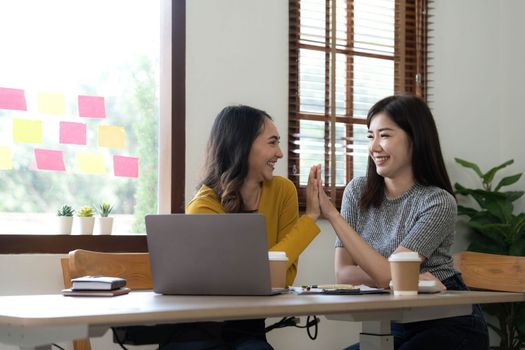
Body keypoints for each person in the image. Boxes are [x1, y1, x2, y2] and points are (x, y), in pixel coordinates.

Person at [316, 95, 489, 350]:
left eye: (384, 135)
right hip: (394, 321)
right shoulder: (357, 191)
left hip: (450, 322)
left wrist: (333, 216)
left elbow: (387, 275)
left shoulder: (438, 202)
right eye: (370, 136)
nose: (374, 146)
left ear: (415, 139)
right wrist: (407, 279)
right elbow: (344, 275)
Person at [160, 105, 321, 350]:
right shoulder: (203, 205)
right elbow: (237, 282)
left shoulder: (283, 192)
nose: (279, 153)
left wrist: (311, 216)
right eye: (272, 142)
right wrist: (307, 221)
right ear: (243, 145)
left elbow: (281, 278)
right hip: (197, 330)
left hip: (248, 329)